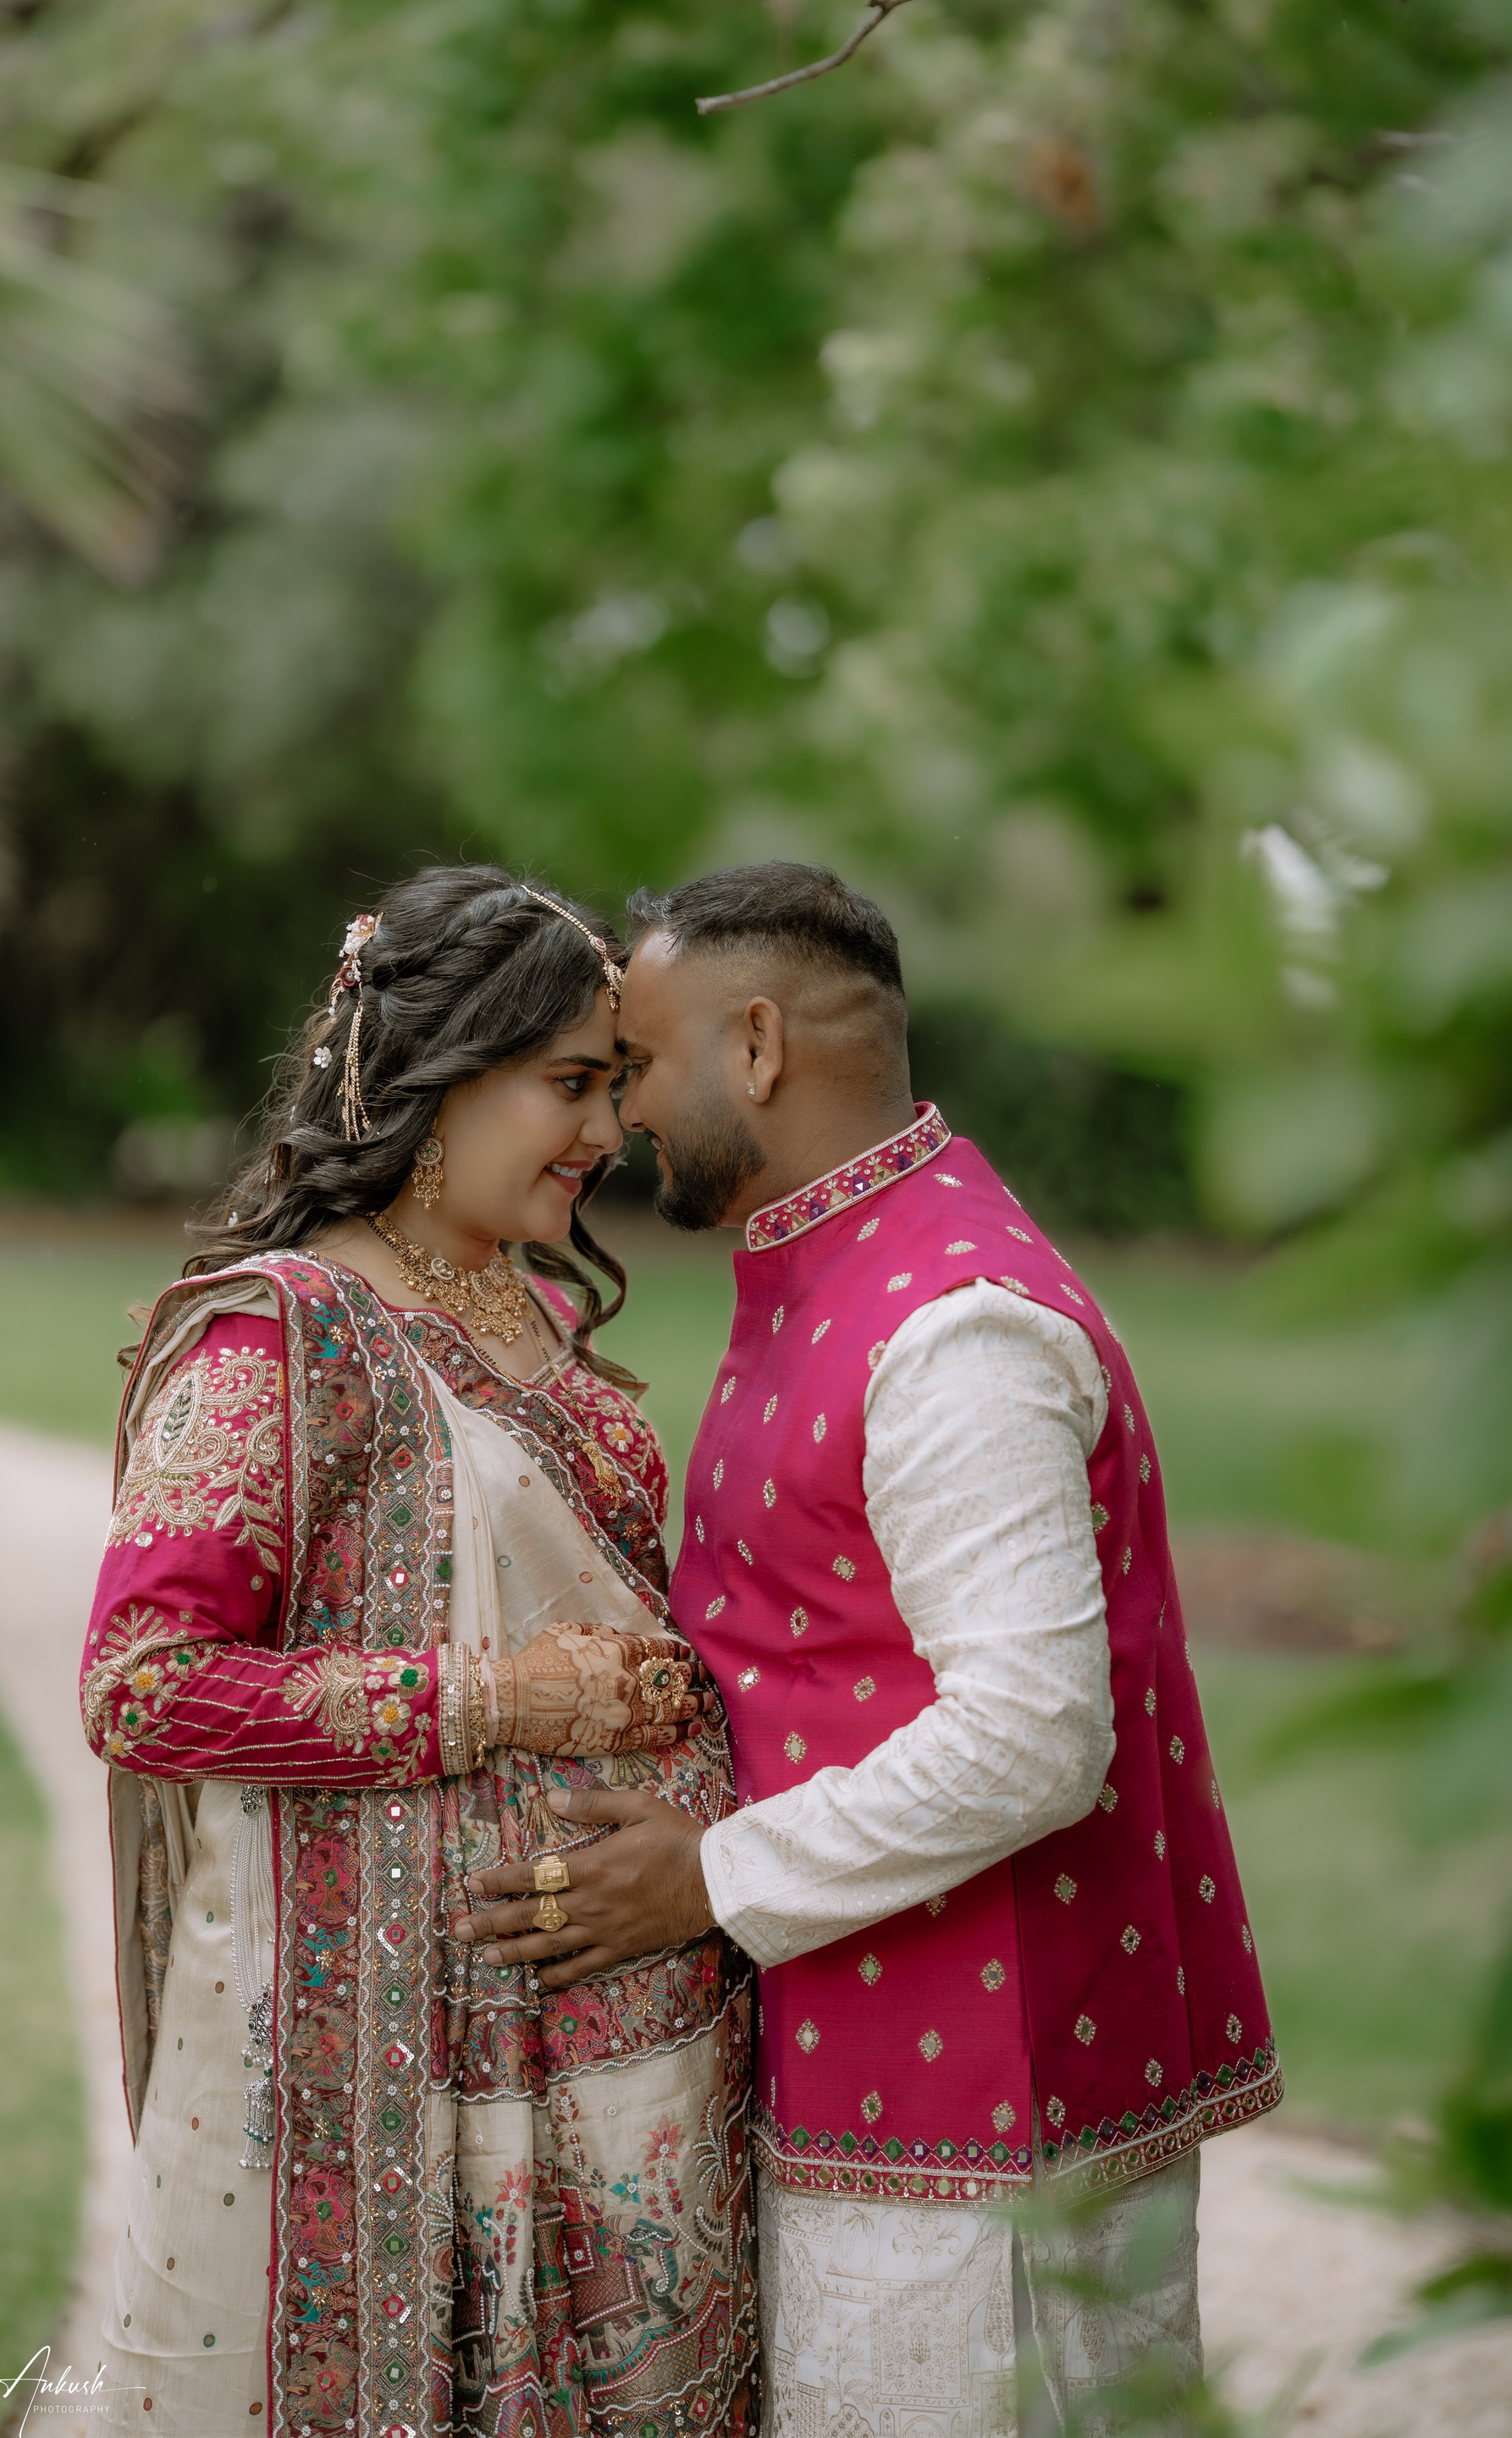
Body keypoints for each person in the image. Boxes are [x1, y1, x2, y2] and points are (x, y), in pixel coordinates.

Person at [455, 862, 1283, 2436]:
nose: (622, 1115)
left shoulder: (954, 1330)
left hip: (990, 2119)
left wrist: (708, 1878)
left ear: (758, 1046)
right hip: (885, 2051)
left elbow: (1033, 1734)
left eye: (641, 1063)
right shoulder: (842, 1260)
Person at [79, 864, 755, 2438]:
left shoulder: (525, 1308)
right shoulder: (282, 1335)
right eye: (570, 1085)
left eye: (617, 1085)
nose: (606, 1132)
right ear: (434, 1083)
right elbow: (143, 1685)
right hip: (392, 2045)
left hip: (617, 2016)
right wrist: (502, 1702)